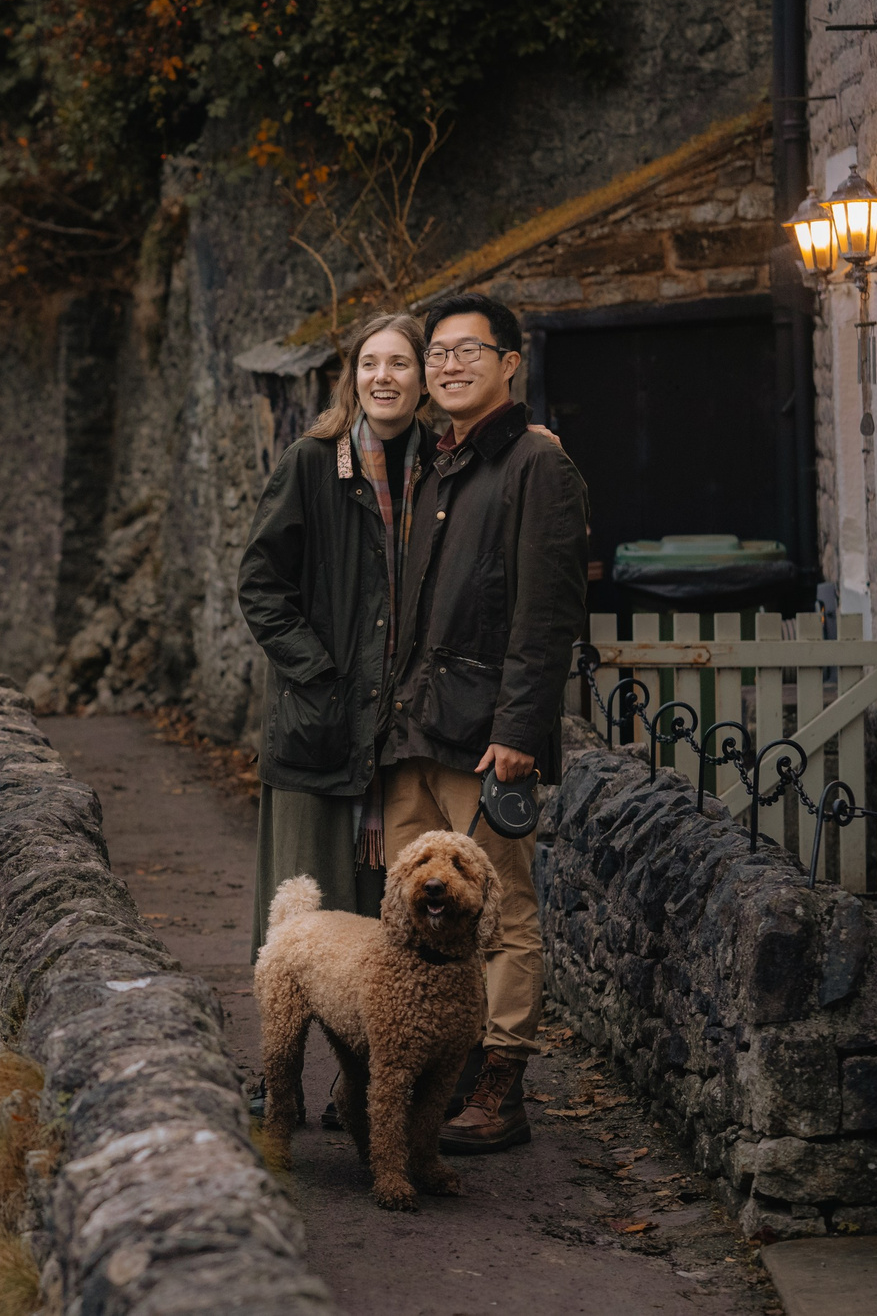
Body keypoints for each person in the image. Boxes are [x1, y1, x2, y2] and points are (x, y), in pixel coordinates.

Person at [385, 291, 590, 1154]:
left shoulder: (539, 463)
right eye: (437, 352)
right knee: (415, 912)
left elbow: (547, 612)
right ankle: (439, 1071)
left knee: (499, 914)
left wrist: (519, 729)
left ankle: (500, 1085)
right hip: (416, 730)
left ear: (510, 362)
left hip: (486, 738)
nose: (448, 364)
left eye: (468, 349)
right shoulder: (440, 462)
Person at [240, 313, 432, 960]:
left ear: (424, 378)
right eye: (369, 363)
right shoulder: (312, 462)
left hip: (405, 728)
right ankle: (288, 1032)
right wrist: (318, 675)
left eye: (399, 362)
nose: (383, 376)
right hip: (318, 721)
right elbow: (261, 587)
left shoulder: (444, 469)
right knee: (305, 924)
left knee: (390, 933)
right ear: (353, 378)